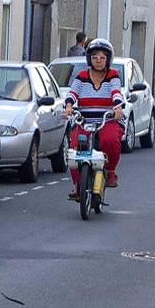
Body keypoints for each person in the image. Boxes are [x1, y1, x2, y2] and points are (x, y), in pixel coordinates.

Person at [63, 38, 125, 196]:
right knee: (75, 148)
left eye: (102, 57)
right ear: (89, 59)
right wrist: (69, 106)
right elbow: (73, 92)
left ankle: (110, 171)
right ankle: (78, 185)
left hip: (107, 120)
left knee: (110, 140)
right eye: (95, 57)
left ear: (108, 59)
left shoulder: (113, 75)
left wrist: (118, 107)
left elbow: (116, 91)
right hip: (84, 121)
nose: (98, 61)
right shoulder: (82, 75)